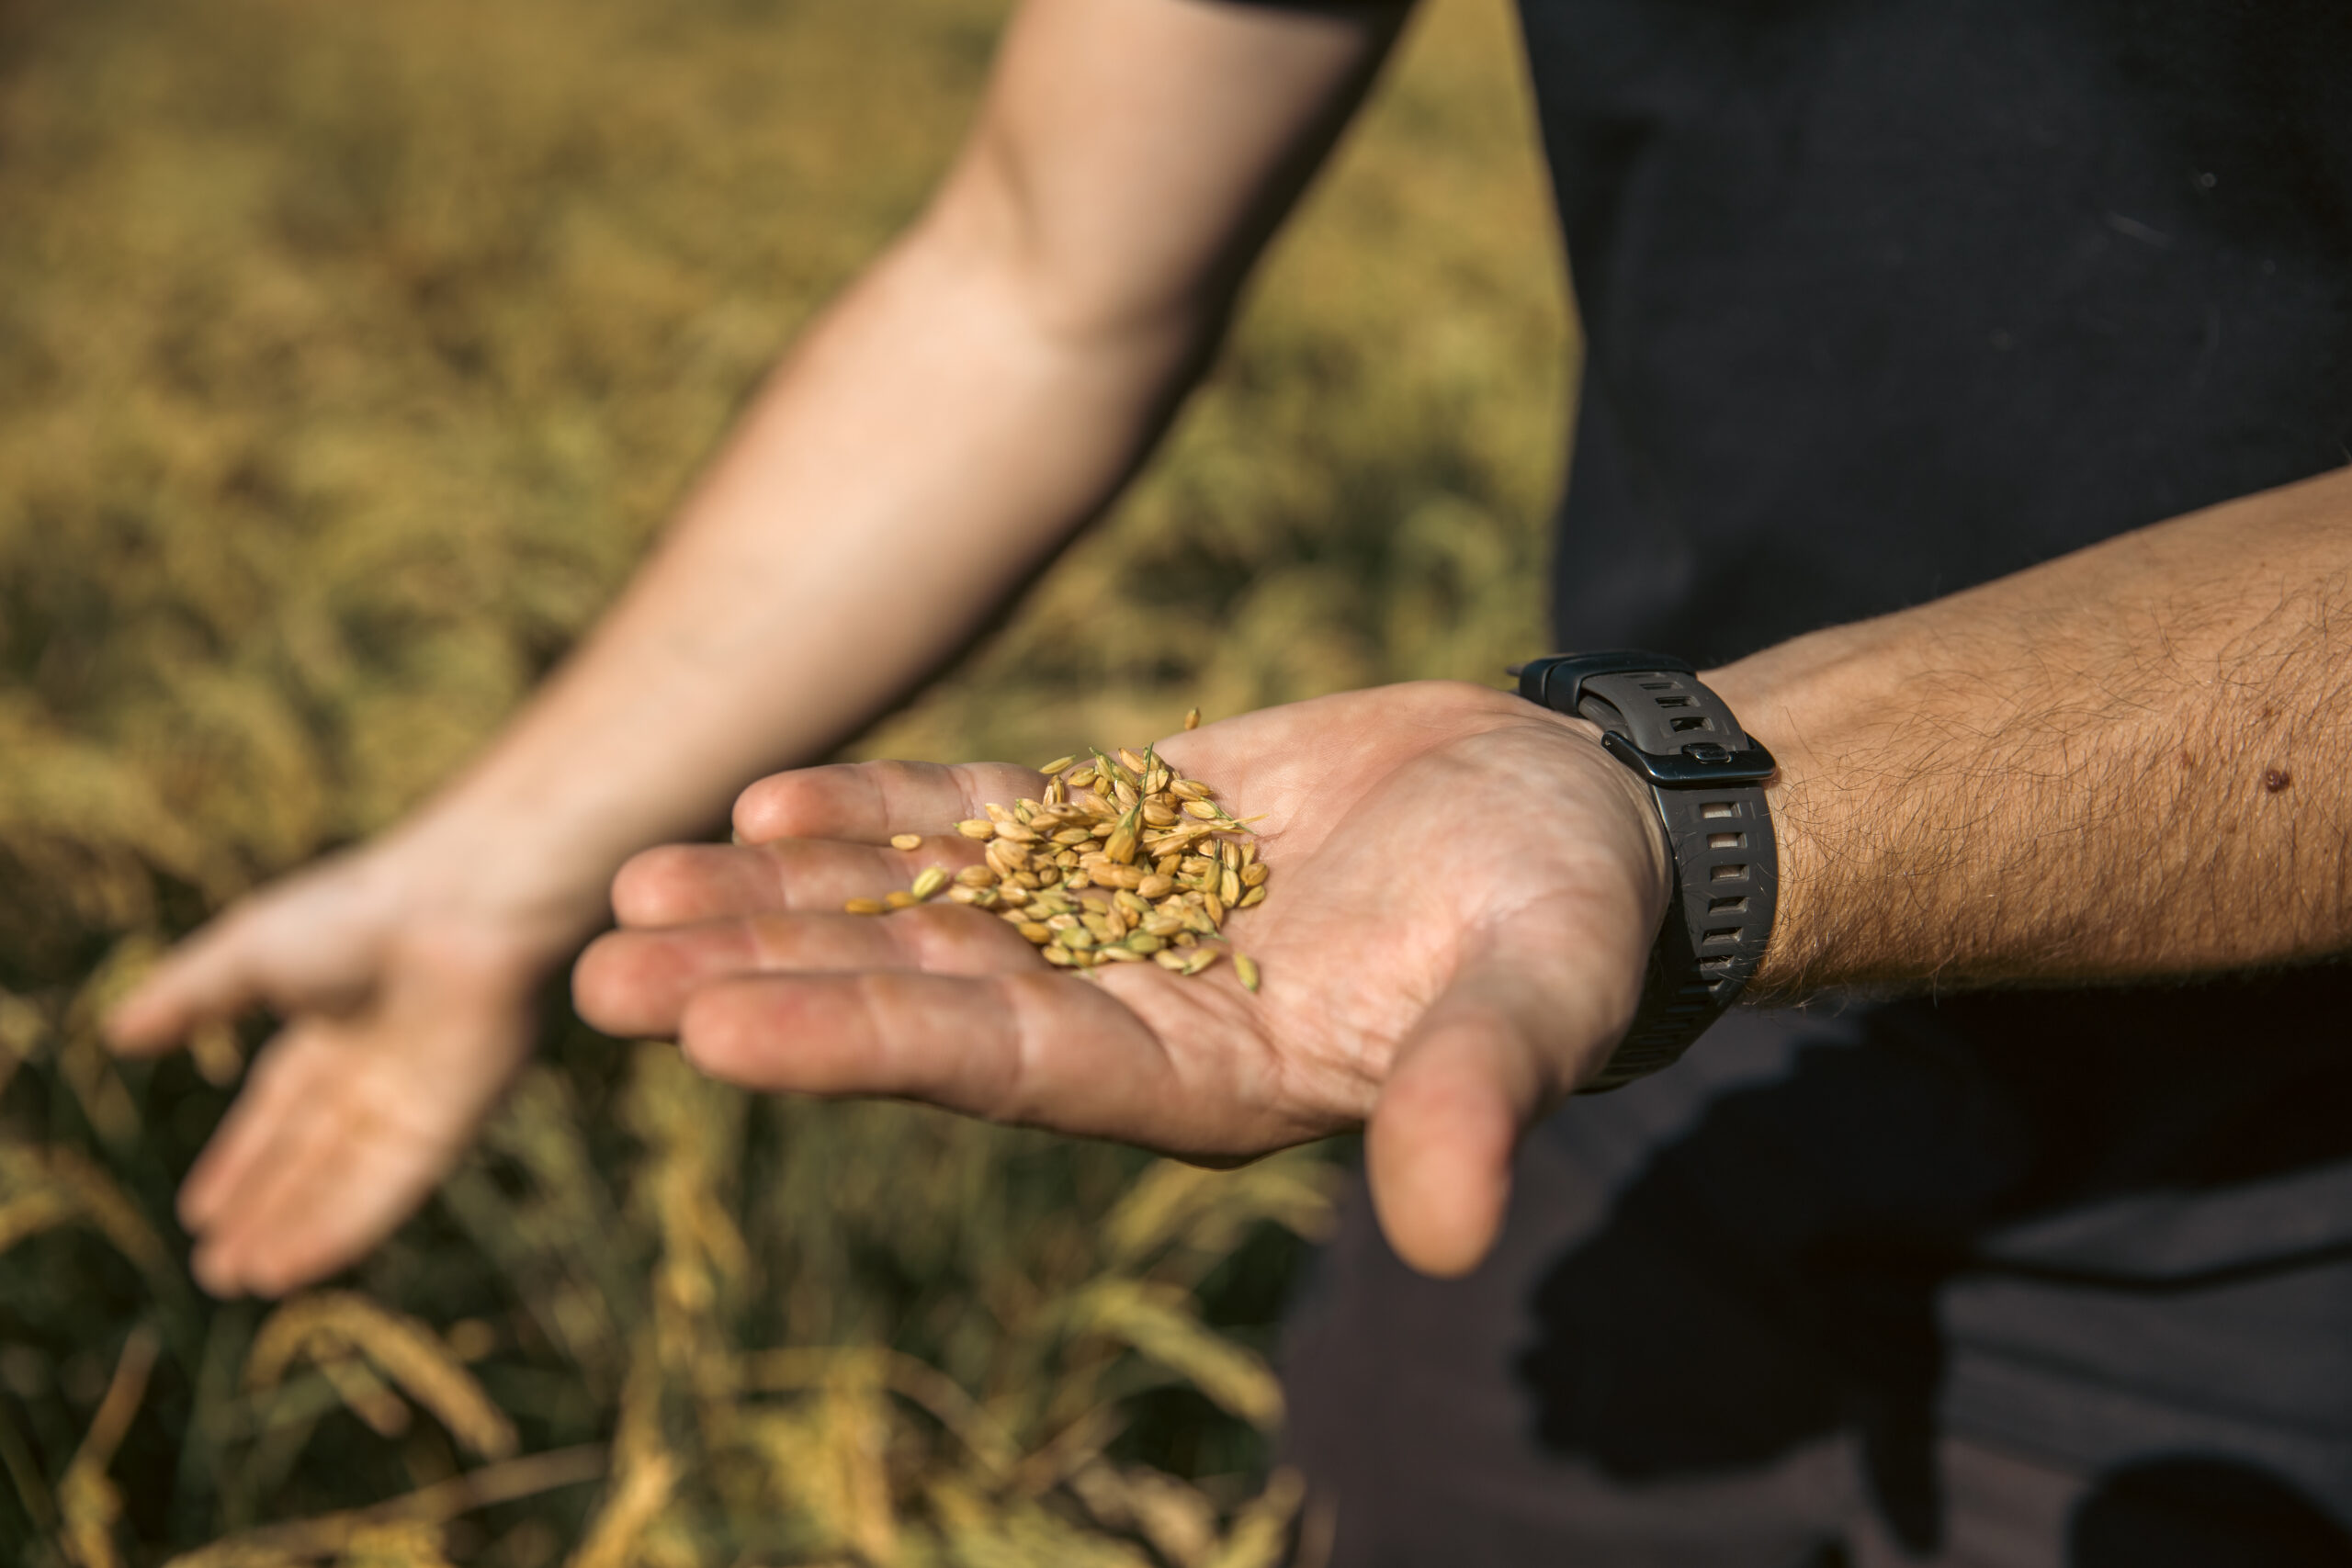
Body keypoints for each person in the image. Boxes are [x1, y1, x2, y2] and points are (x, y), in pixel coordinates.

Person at [107, 0, 2352, 1560]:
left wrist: (1689, 815)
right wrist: (504, 860)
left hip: (2274, 1185)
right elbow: (1043, 265)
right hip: (1600, 1048)